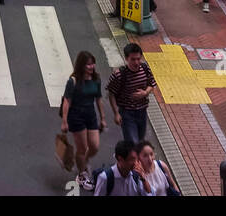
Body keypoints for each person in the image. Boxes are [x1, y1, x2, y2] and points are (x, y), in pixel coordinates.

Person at [60, 51, 106, 191]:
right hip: (76, 117)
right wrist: (65, 121)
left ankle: (83, 163)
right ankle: (81, 174)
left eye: (93, 63)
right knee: (82, 148)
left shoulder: (96, 79)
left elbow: (98, 99)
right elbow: (67, 101)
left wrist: (102, 118)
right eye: (88, 64)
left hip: (90, 115)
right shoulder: (73, 81)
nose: (91, 67)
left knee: (94, 146)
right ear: (81, 65)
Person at [107, 42, 158, 144]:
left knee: (140, 142)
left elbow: (152, 83)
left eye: (138, 59)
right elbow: (111, 94)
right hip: (127, 113)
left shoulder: (145, 68)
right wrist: (116, 113)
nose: (136, 62)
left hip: (142, 111)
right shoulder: (119, 75)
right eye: (133, 59)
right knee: (132, 143)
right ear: (126, 59)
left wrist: (145, 93)